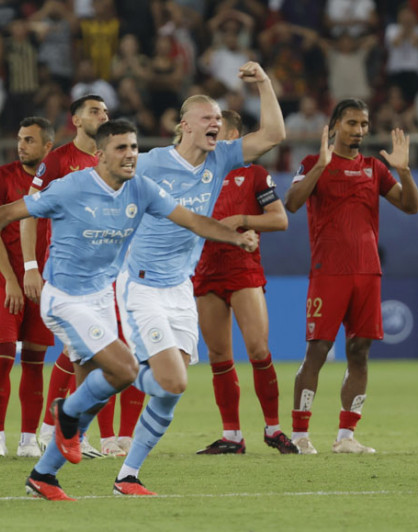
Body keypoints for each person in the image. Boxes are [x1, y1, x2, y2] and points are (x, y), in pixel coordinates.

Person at [0, 119, 258, 500]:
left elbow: (191, 219)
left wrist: (235, 236)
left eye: (134, 147)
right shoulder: (71, 188)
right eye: (121, 148)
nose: (131, 155)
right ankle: (64, 412)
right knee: (124, 369)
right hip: (64, 300)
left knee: (94, 397)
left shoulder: (140, 188)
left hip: (102, 299)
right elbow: (12, 212)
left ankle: (43, 475)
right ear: (100, 156)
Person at [114, 62, 287, 494]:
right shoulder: (150, 163)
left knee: (175, 387)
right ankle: (107, 372)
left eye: (219, 119)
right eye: (208, 118)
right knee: (169, 378)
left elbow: (273, 136)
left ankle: (128, 475)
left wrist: (264, 83)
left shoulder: (223, 157)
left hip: (180, 287)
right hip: (141, 283)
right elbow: (105, 183)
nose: (217, 124)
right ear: (185, 126)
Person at [283, 99, 418, 454]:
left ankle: (346, 437)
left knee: (359, 352)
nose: (359, 130)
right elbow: (293, 202)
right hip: (329, 272)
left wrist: (403, 170)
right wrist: (320, 168)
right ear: (334, 127)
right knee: (318, 350)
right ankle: (300, 434)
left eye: (363, 124)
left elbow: (410, 206)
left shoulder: (375, 168)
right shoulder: (314, 163)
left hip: (367, 271)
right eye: (351, 123)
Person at [20, 94, 136, 457]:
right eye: (94, 111)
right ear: (76, 121)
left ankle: (91, 435)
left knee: (98, 353)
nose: (103, 115)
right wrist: (30, 266)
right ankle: (55, 427)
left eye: (105, 110)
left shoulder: (117, 160)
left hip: (112, 272)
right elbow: (28, 211)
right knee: (81, 354)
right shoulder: (58, 161)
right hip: (72, 276)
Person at [191, 110, 297, 456]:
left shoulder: (254, 175)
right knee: (219, 355)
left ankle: (273, 428)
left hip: (243, 270)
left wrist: (243, 220)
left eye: (217, 128)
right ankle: (232, 435)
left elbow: (280, 220)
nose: (211, 132)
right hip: (205, 270)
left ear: (235, 136)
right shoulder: (195, 175)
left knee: (258, 349)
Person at [0, 117, 55, 458]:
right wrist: (12, 279)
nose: (21, 145)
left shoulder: (58, 179)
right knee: (3, 357)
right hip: (5, 280)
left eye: (29, 140)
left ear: (47, 147)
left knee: (35, 362)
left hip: (43, 282)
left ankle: (28, 441)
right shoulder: (2, 176)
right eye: (20, 139)